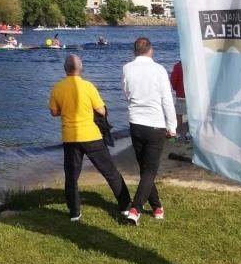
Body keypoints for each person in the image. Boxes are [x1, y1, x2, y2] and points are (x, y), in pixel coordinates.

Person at [49, 54, 131, 222]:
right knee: (110, 172)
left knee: (71, 176)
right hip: (91, 136)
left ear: (65, 69)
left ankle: (74, 213)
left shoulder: (58, 87)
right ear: (81, 68)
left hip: (70, 138)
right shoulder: (88, 86)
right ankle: (125, 206)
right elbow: (101, 110)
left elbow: (54, 112)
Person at [122, 37, 177, 224]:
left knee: (145, 169)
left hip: (135, 123)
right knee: (150, 170)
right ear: (150, 50)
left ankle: (157, 207)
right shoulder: (159, 70)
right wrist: (172, 126)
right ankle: (135, 209)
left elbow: (126, 93)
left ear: (134, 51)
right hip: (155, 124)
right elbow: (167, 100)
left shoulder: (127, 68)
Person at [170, 60, 189, 141]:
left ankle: (178, 134)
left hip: (181, 94)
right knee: (189, 115)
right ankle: (188, 134)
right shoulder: (192, 66)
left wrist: (176, 88)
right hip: (192, 95)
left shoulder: (177, 66)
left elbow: (173, 81)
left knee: (179, 115)